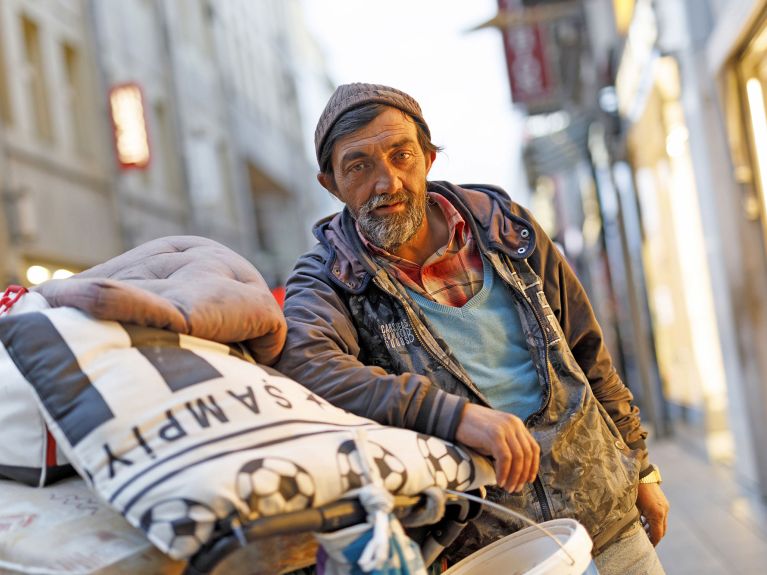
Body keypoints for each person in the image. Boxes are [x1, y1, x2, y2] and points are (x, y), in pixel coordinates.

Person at [275, 83, 669, 574]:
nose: (387, 182)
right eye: (359, 167)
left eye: (402, 156)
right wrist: (453, 417)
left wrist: (641, 466)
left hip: (607, 519)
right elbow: (306, 364)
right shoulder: (328, 278)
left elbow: (587, 352)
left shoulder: (505, 228)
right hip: (490, 554)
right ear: (330, 184)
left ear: (428, 159)